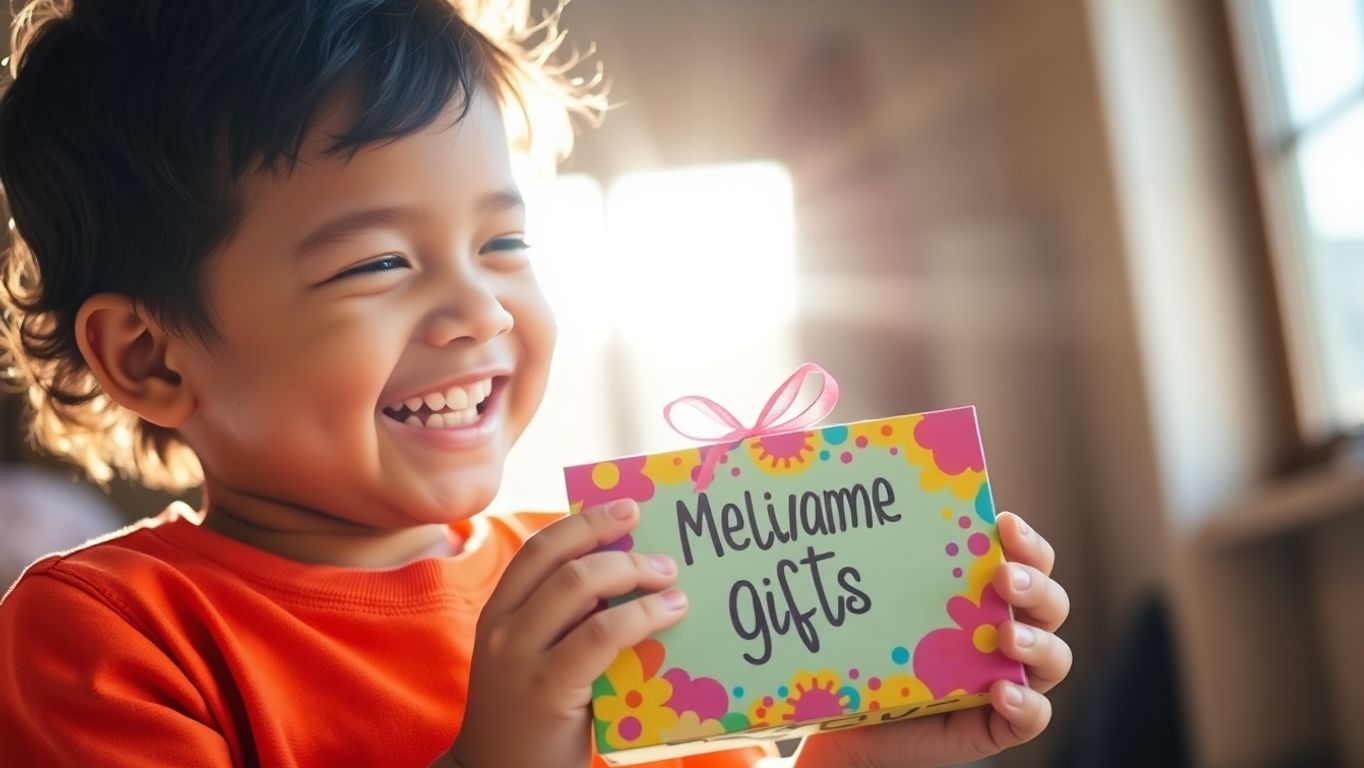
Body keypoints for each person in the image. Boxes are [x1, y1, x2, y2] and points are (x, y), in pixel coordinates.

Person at [0, 1, 1072, 766]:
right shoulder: (107, 638)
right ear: (149, 355)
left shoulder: (607, 581)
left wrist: (854, 756)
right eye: (379, 262)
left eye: (504, 245)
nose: (480, 312)